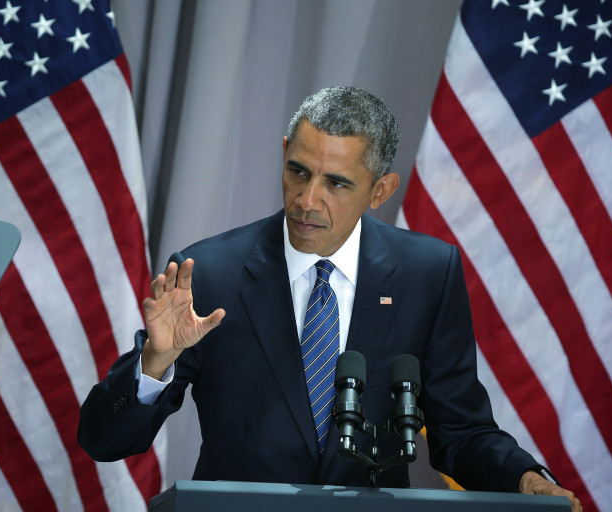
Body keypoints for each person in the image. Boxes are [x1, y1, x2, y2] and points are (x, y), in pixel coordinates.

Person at [78, 86, 581, 510]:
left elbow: (462, 433)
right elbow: (105, 441)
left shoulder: (426, 274)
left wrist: (525, 481)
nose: (307, 200)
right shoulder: (211, 273)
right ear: (283, 153)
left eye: (336, 182)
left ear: (380, 190)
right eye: (299, 171)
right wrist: (154, 361)